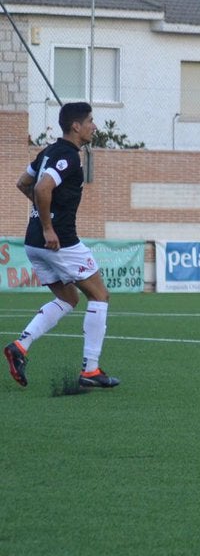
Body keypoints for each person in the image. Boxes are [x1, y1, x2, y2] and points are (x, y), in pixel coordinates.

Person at [4, 102, 119, 390]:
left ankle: (20, 346)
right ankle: (90, 370)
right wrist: (48, 226)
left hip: (34, 243)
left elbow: (22, 183)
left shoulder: (47, 152)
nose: (94, 126)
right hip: (59, 241)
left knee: (69, 299)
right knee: (100, 295)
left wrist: (43, 220)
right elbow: (42, 188)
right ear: (76, 126)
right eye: (90, 121)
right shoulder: (68, 156)